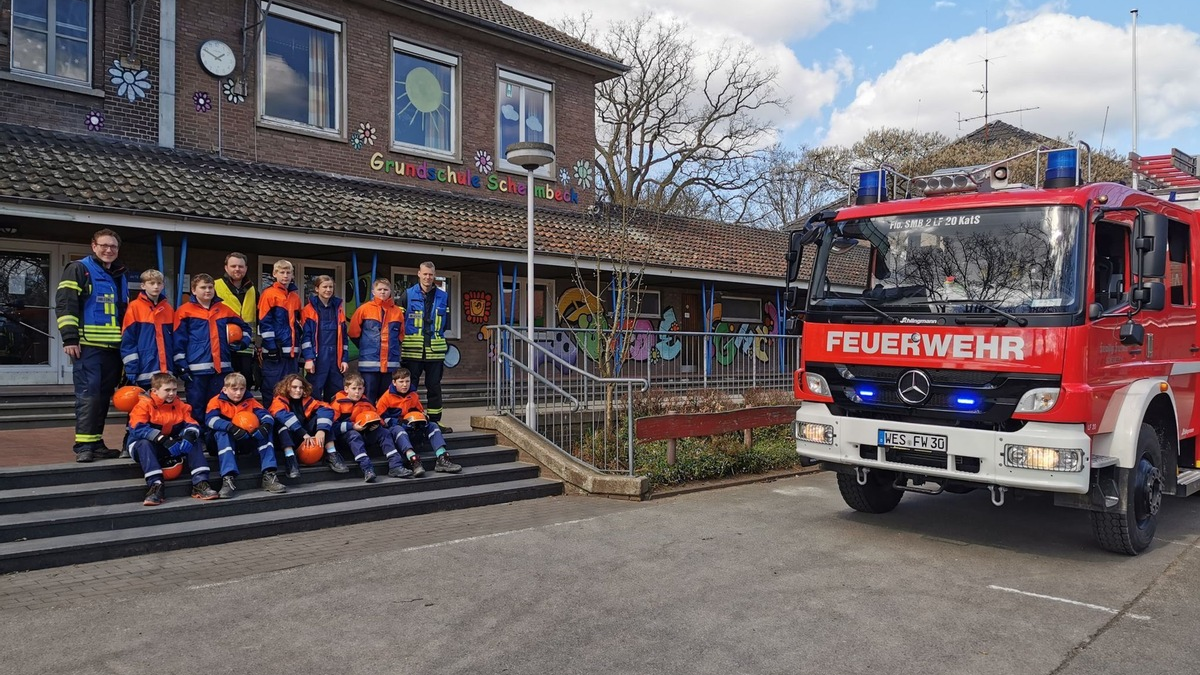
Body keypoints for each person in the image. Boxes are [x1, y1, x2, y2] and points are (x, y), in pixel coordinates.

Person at [56, 228, 130, 462]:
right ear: (94, 246)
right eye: (104, 245)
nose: (109, 250)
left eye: (113, 247)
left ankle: (95, 442)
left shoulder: (118, 275)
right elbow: (66, 304)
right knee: (89, 395)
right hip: (88, 346)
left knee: (103, 396)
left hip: (113, 348)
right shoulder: (79, 269)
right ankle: (84, 446)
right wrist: (70, 338)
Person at [126, 372, 219, 505]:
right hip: (142, 448)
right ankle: (155, 487)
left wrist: (189, 435)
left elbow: (192, 424)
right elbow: (137, 428)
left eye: (174, 390)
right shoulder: (143, 405)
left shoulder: (179, 405)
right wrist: (162, 439)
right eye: (167, 390)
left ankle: (200, 483)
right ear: (155, 391)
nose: (171, 393)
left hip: (170, 445)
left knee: (194, 440)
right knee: (145, 443)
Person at [173, 274, 252, 409]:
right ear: (193, 290)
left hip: (222, 369)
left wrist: (243, 343)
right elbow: (178, 341)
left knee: (218, 406)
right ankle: (197, 430)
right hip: (196, 370)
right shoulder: (184, 311)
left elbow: (245, 327)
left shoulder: (224, 309)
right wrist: (181, 366)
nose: (208, 290)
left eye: (210, 287)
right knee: (196, 406)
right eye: (203, 287)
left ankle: (215, 430)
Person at [206, 372, 285, 498]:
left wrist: (265, 425)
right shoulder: (216, 401)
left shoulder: (250, 401)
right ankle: (228, 478)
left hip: (245, 440)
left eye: (242, 389)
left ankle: (269, 474)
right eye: (234, 389)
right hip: (220, 444)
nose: (238, 393)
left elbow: (266, 415)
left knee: (266, 431)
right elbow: (210, 420)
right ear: (225, 389)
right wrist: (231, 427)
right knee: (222, 433)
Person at [376, 367, 460, 474]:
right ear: (394, 382)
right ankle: (414, 461)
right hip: (397, 431)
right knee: (398, 429)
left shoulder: (413, 395)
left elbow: (420, 411)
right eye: (401, 382)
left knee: (433, 425)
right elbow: (380, 418)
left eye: (407, 381)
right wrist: (399, 422)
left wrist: (423, 418)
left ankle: (442, 458)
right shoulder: (386, 398)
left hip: (413, 428)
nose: (405, 385)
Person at [401, 261, 453, 432]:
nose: (428, 277)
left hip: (435, 351)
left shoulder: (443, 296)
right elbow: (399, 322)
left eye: (431, 274)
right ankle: (411, 417)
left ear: (434, 275)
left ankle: (435, 422)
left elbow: (445, 324)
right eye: (425, 274)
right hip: (412, 351)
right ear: (419, 274)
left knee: (434, 387)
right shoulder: (407, 295)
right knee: (410, 387)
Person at [331, 372, 411, 481]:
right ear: (346, 389)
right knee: (354, 435)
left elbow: (377, 417)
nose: (357, 392)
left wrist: (377, 424)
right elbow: (332, 427)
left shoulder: (366, 403)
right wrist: (352, 426)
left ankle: (395, 466)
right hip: (346, 438)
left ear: (364, 389)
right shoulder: (338, 403)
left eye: (360, 389)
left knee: (384, 432)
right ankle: (367, 469)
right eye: (354, 389)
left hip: (365, 434)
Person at [268, 373, 346, 479]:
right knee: (282, 425)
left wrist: (321, 430)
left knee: (325, 422)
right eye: (294, 387)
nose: (298, 390)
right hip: (288, 439)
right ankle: (290, 460)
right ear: (286, 387)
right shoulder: (278, 400)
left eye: (301, 387)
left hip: (307, 438)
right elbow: (281, 415)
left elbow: (327, 409)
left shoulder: (308, 400)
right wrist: (303, 433)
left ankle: (332, 454)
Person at [348, 278, 405, 402]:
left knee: (387, 398)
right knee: (368, 396)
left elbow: (401, 335)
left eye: (385, 289)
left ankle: (385, 421)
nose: (383, 292)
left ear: (390, 291)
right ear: (373, 291)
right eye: (379, 289)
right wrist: (366, 347)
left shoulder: (397, 312)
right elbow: (353, 332)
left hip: (390, 365)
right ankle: (370, 420)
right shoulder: (363, 309)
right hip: (369, 364)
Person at [214, 252, 260, 394]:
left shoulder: (252, 290)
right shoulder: (215, 286)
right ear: (226, 268)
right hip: (222, 343)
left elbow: (257, 317)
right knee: (224, 382)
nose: (237, 269)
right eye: (233, 266)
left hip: (246, 345)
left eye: (240, 266)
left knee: (244, 382)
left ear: (246, 268)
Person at [120, 269, 174, 388]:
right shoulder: (135, 307)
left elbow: (173, 341)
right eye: (152, 283)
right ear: (143, 285)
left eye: (159, 283)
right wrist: (131, 367)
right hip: (144, 369)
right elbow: (128, 340)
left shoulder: (168, 308)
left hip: (165, 371)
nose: (156, 286)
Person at [301, 275, 348, 401]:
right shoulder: (308, 310)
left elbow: (343, 338)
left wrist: (344, 359)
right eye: (325, 287)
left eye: (331, 287)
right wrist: (309, 358)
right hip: (318, 358)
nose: (328, 290)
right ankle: (313, 419)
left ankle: (334, 419)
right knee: (313, 392)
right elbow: (306, 338)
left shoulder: (338, 309)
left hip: (335, 359)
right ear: (317, 289)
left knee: (336, 394)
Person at [258, 259, 302, 397]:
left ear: (292, 275)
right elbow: (264, 322)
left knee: (291, 389)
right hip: (275, 351)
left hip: (292, 353)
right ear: (274, 274)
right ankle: (270, 418)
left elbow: (298, 324)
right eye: (282, 272)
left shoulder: (295, 297)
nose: (285, 275)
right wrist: (271, 347)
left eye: (288, 272)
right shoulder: (269, 294)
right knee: (272, 388)